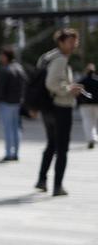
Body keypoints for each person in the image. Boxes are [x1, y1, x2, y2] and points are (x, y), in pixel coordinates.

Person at [36, 29, 85, 196]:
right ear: (61, 42)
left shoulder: (48, 57)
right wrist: (69, 89)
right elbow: (51, 83)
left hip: (48, 107)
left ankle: (42, 179)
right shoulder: (60, 60)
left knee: (51, 144)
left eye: (75, 42)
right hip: (61, 107)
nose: (73, 45)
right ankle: (58, 186)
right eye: (70, 42)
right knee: (62, 148)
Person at [0, 46, 27, 162]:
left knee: (8, 129)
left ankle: (8, 153)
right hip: (17, 103)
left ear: (6, 56)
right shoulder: (20, 68)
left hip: (6, 103)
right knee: (16, 129)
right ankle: (16, 153)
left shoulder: (4, 70)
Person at [77, 63, 98, 149]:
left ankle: (90, 139)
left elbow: (78, 93)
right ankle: (94, 137)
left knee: (87, 121)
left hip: (85, 105)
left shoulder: (82, 81)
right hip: (96, 104)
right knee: (95, 121)